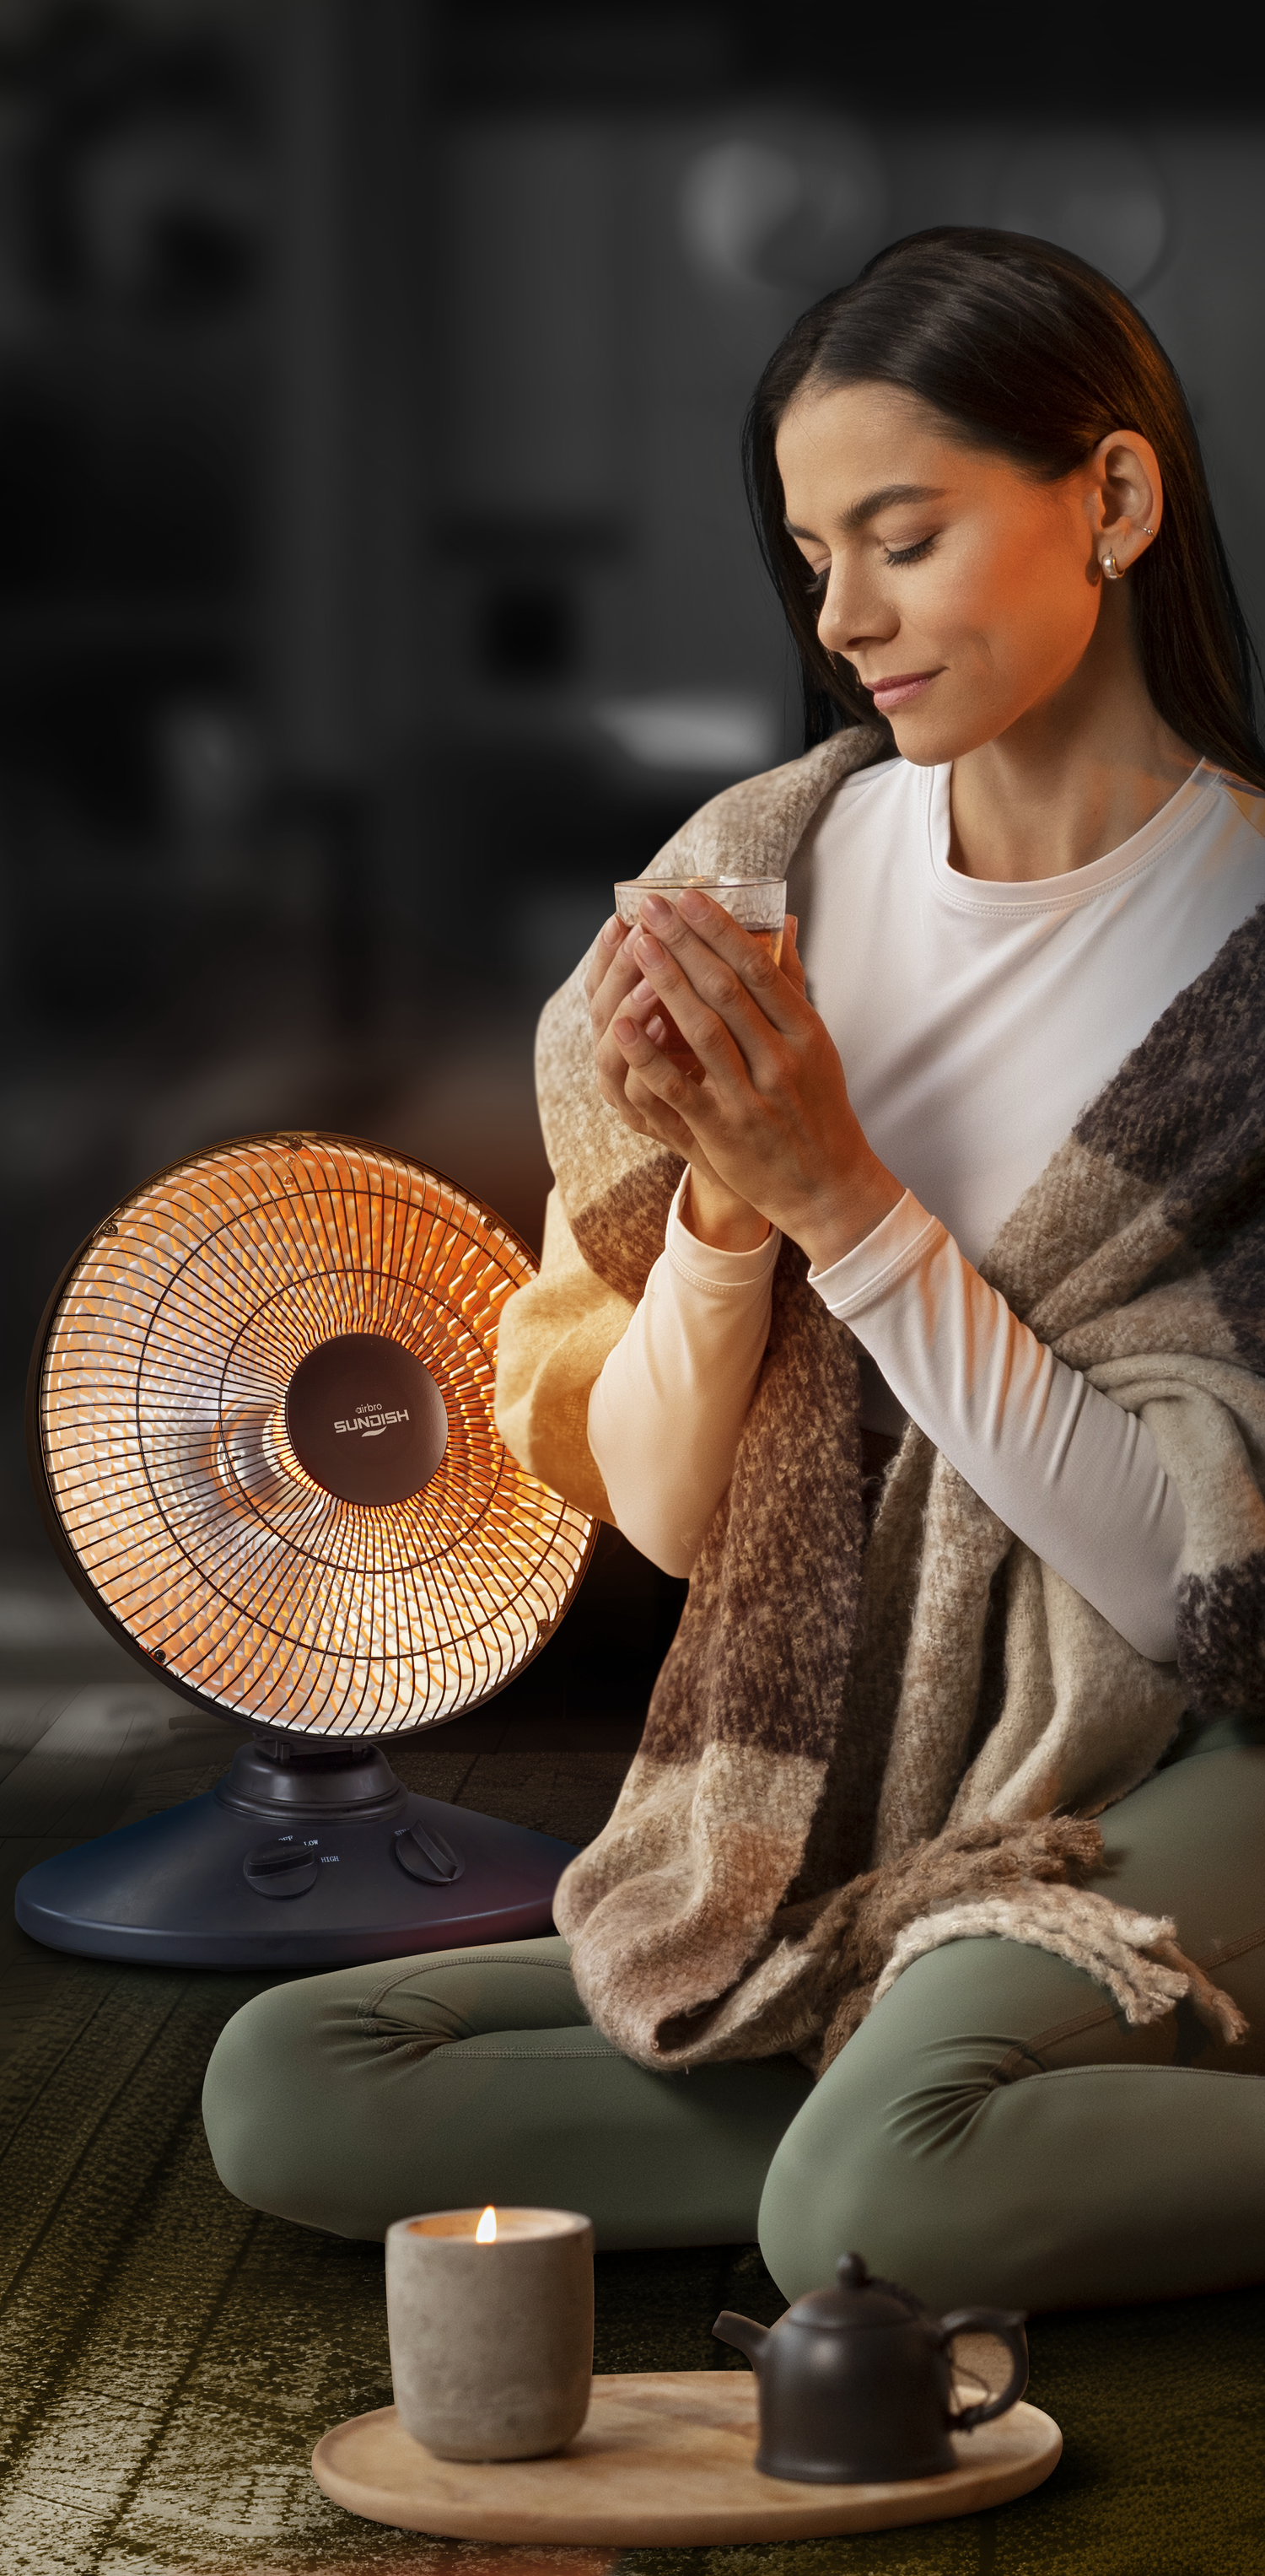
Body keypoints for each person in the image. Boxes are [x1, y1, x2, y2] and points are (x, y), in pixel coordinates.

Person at [203, 231, 1265, 2315]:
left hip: (1208, 1752)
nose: (842, 619)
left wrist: (850, 1196)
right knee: (296, 2080)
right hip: (873, 1759)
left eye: (905, 537)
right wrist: (726, 1205)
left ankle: (928, 2126)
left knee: (873, 2215)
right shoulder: (751, 890)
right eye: (809, 554)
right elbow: (691, 1527)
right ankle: (944, 2103)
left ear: (1115, 504)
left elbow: (1200, 1584)